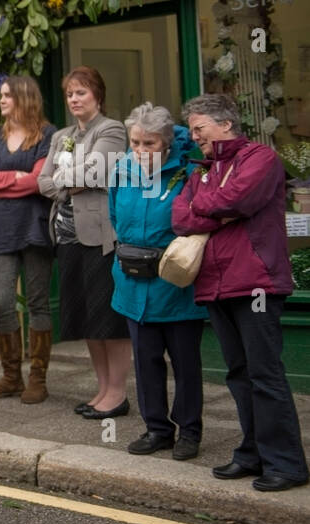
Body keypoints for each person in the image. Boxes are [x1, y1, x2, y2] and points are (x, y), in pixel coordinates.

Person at [173, 94, 309, 492]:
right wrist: (214, 210)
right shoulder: (201, 171)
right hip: (216, 284)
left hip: (256, 283)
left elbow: (239, 199)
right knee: (238, 374)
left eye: (200, 128)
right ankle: (252, 454)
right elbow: (180, 218)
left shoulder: (260, 159)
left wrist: (208, 207)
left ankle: (286, 464)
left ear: (226, 124)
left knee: (265, 374)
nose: (194, 136)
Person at [108, 103, 207, 461]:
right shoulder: (121, 170)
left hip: (175, 282)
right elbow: (115, 216)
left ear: (166, 143)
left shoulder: (187, 172)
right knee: (146, 358)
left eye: (149, 144)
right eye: (135, 142)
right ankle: (157, 429)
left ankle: (189, 432)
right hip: (134, 281)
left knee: (185, 362)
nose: (140, 150)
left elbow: (196, 224)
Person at [38, 66, 131, 420]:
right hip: (66, 237)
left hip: (99, 237)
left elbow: (96, 173)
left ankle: (118, 393)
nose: (75, 99)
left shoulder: (112, 129)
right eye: (70, 94)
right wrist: (70, 179)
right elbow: (43, 182)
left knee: (108, 316)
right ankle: (102, 388)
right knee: (88, 318)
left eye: (82, 92)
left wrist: (68, 177)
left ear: (98, 95)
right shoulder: (61, 135)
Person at [0, 76, 58, 404]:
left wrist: (2, 183)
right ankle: (11, 377)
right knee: (1, 301)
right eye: (1, 95)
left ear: (24, 98)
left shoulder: (47, 135)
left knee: (37, 301)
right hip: (2, 227)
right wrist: (12, 177)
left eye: (8, 95)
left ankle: (38, 378)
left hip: (34, 227)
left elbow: (38, 182)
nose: (2, 100)